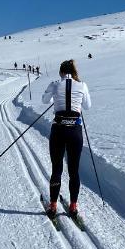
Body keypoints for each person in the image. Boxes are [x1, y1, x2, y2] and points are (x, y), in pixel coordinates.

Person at [41, 59, 91, 220]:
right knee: (74, 171)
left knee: (57, 169)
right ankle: (73, 206)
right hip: (75, 131)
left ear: (61, 72)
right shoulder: (82, 85)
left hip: (59, 130)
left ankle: (53, 205)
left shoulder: (55, 84)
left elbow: (45, 101)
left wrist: (56, 98)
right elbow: (87, 106)